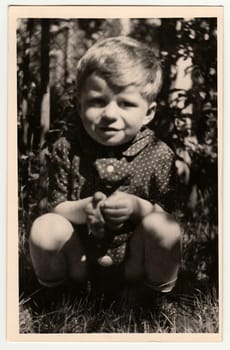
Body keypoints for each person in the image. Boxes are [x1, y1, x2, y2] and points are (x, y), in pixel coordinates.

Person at [29, 36, 182, 299]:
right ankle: (56, 297)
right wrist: (83, 208)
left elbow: (168, 216)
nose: (110, 114)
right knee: (45, 226)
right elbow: (56, 206)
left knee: (164, 227)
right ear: (80, 105)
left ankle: (154, 298)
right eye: (98, 101)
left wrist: (136, 207)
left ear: (149, 112)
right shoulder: (67, 148)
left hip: (134, 265)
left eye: (126, 103)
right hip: (82, 262)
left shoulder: (159, 154)